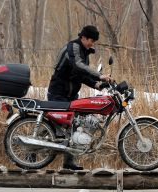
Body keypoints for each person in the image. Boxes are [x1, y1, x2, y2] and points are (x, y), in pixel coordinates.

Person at [47, 25, 113, 170]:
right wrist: (99, 75)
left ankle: (68, 162)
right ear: (83, 37)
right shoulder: (73, 48)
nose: (92, 43)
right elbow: (77, 66)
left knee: (74, 125)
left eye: (94, 41)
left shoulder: (83, 52)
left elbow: (81, 75)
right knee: (54, 123)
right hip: (58, 92)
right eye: (91, 40)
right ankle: (31, 154)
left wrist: (97, 84)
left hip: (71, 94)